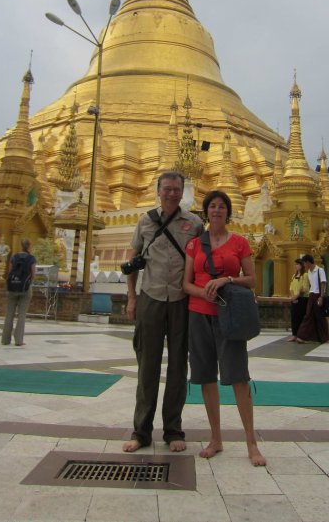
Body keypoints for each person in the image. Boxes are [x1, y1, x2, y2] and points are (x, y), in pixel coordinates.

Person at [183, 190, 266, 466]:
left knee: (239, 377)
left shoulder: (240, 243)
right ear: (206, 212)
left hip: (229, 315)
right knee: (206, 377)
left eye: (222, 207)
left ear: (228, 212)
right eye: (212, 206)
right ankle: (216, 438)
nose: (217, 211)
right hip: (199, 313)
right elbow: (186, 283)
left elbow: (252, 279)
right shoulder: (195, 245)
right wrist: (202, 292)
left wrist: (226, 280)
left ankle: (251, 443)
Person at [123, 171, 203, 453]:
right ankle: (141, 432)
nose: (171, 193)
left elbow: (202, 261)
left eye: (176, 189)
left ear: (182, 192)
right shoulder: (145, 221)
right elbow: (131, 262)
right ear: (158, 191)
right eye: (167, 189)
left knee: (179, 366)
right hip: (151, 298)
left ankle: (173, 430)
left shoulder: (194, 223)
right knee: (147, 367)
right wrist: (132, 299)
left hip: (182, 300)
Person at [1, 238, 35, 347]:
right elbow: (33, 274)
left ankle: (5, 339)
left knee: (9, 313)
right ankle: (19, 340)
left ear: (21, 246)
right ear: (29, 246)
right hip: (25, 288)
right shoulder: (31, 258)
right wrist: (29, 283)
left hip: (13, 287)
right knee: (22, 315)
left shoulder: (14, 257)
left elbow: (10, 272)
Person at [296, 254, 329, 344]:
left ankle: (325, 337)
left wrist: (321, 297)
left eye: (304, 263)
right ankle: (303, 336)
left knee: (320, 317)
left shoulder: (320, 270)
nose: (304, 265)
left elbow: (323, 283)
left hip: (318, 295)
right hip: (312, 295)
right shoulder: (309, 272)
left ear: (308, 262)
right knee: (308, 315)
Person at [287, 258, 310, 341]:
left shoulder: (305, 275)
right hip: (294, 299)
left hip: (302, 299)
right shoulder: (294, 276)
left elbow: (304, 289)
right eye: (295, 264)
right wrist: (293, 297)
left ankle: (301, 335)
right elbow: (291, 288)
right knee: (294, 317)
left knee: (301, 317)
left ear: (301, 265)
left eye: (297, 264)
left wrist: (296, 297)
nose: (296, 266)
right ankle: (294, 335)